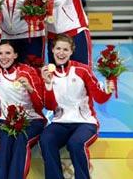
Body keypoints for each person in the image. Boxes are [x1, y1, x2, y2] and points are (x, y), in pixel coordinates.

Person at [40, 34, 115, 179]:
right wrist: (48, 85)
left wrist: (108, 91)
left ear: (71, 52)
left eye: (65, 50)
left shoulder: (83, 70)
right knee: (46, 140)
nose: (61, 53)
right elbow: (49, 107)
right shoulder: (47, 74)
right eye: (58, 49)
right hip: (60, 123)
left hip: (85, 123)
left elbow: (99, 98)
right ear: (53, 50)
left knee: (75, 143)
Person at [0, 41, 46, 179]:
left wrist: (30, 88)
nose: (4, 57)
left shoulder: (27, 71)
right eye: (0, 53)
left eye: (8, 53)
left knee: (20, 141)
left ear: (15, 55)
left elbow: (40, 105)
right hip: (7, 121)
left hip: (32, 120)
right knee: (5, 144)